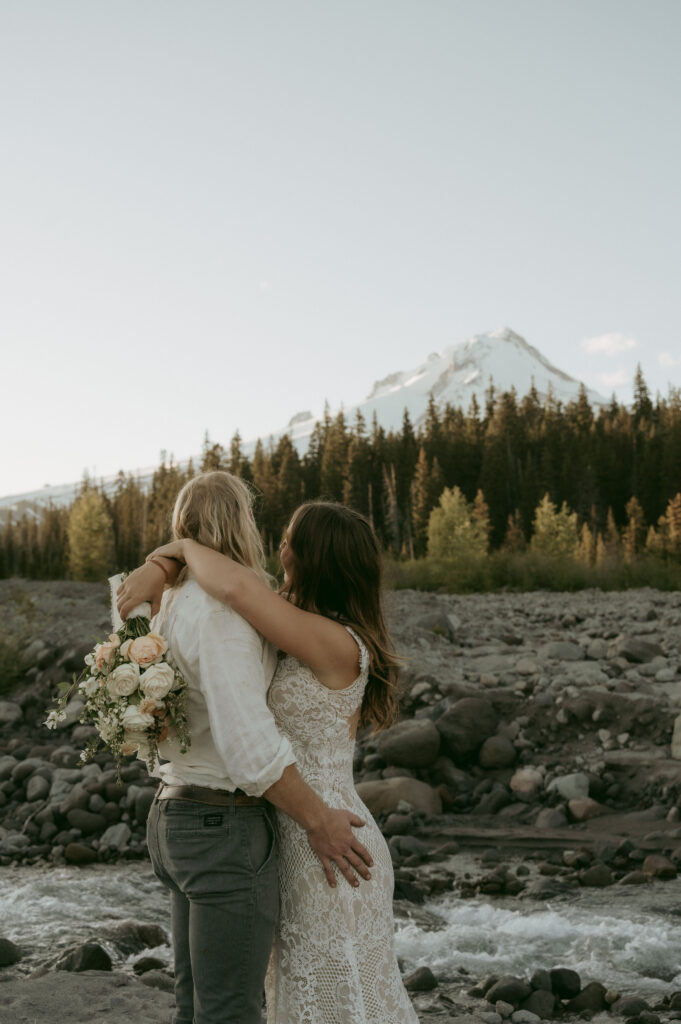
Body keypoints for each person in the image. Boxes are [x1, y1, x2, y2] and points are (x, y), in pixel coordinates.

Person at [119, 497, 419, 1024]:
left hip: (328, 835)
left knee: (342, 996)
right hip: (293, 829)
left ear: (315, 557)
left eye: (291, 539)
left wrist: (183, 546)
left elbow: (234, 586)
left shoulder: (334, 640)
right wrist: (160, 566)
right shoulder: (292, 616)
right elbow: (233, 589)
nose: (280, 543)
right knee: (296, 994)